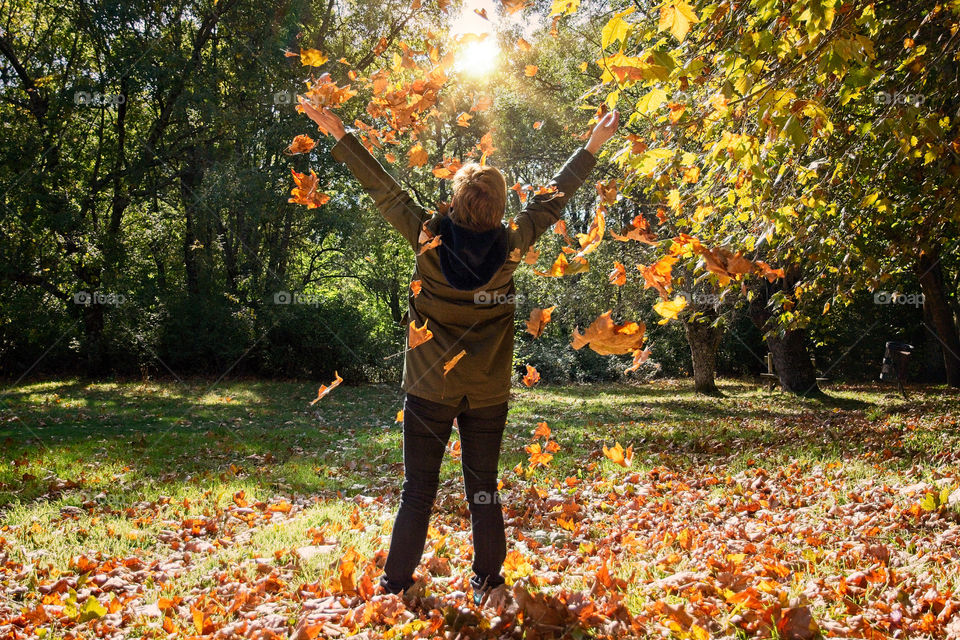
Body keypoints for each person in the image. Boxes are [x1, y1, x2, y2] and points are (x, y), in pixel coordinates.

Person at [299, 98, 619, 603]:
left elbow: (384, 190)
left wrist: (340, 133)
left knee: (417, 492)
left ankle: (395, 586)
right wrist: (591, 145)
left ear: (456, 200)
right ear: (495, 209)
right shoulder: (512, 245)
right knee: (483, 490)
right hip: (487, 391)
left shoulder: (428, 237)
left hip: (429, 388)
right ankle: (489, 583)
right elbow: (552, 200)